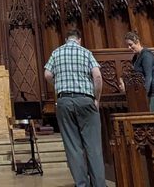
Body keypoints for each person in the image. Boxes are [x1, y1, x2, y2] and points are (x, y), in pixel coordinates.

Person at [44, 27, 105, 187]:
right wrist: (96, 99)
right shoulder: (86, 53)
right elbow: (97, 77)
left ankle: (81, 184)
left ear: (66, 40)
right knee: (94, 146)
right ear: (79, 40)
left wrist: (58, 84)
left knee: (73, 147)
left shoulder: (56, 53)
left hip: (64, 101)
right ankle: (99, 184)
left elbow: (47, 74)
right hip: (86, 100)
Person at [125, 32, 154, 111]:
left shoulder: (146, 55)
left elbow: (148, 76)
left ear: (137, 41)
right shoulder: (135, 57)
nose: (129, 47)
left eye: (130, 44)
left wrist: (144, 94)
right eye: (127, 45)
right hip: (147, 92)